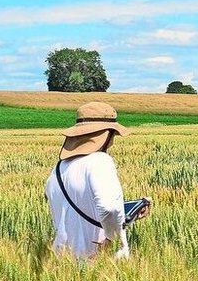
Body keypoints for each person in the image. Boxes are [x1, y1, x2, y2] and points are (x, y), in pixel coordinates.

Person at [44, 101, 151, 260]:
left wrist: (129, 214)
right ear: (105, 135)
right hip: (95, 259)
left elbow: (80, 211)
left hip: (61, 259)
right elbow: (108, 208)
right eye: (112, 134)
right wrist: (109, 240)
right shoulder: (100, 161)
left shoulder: (58, 169)